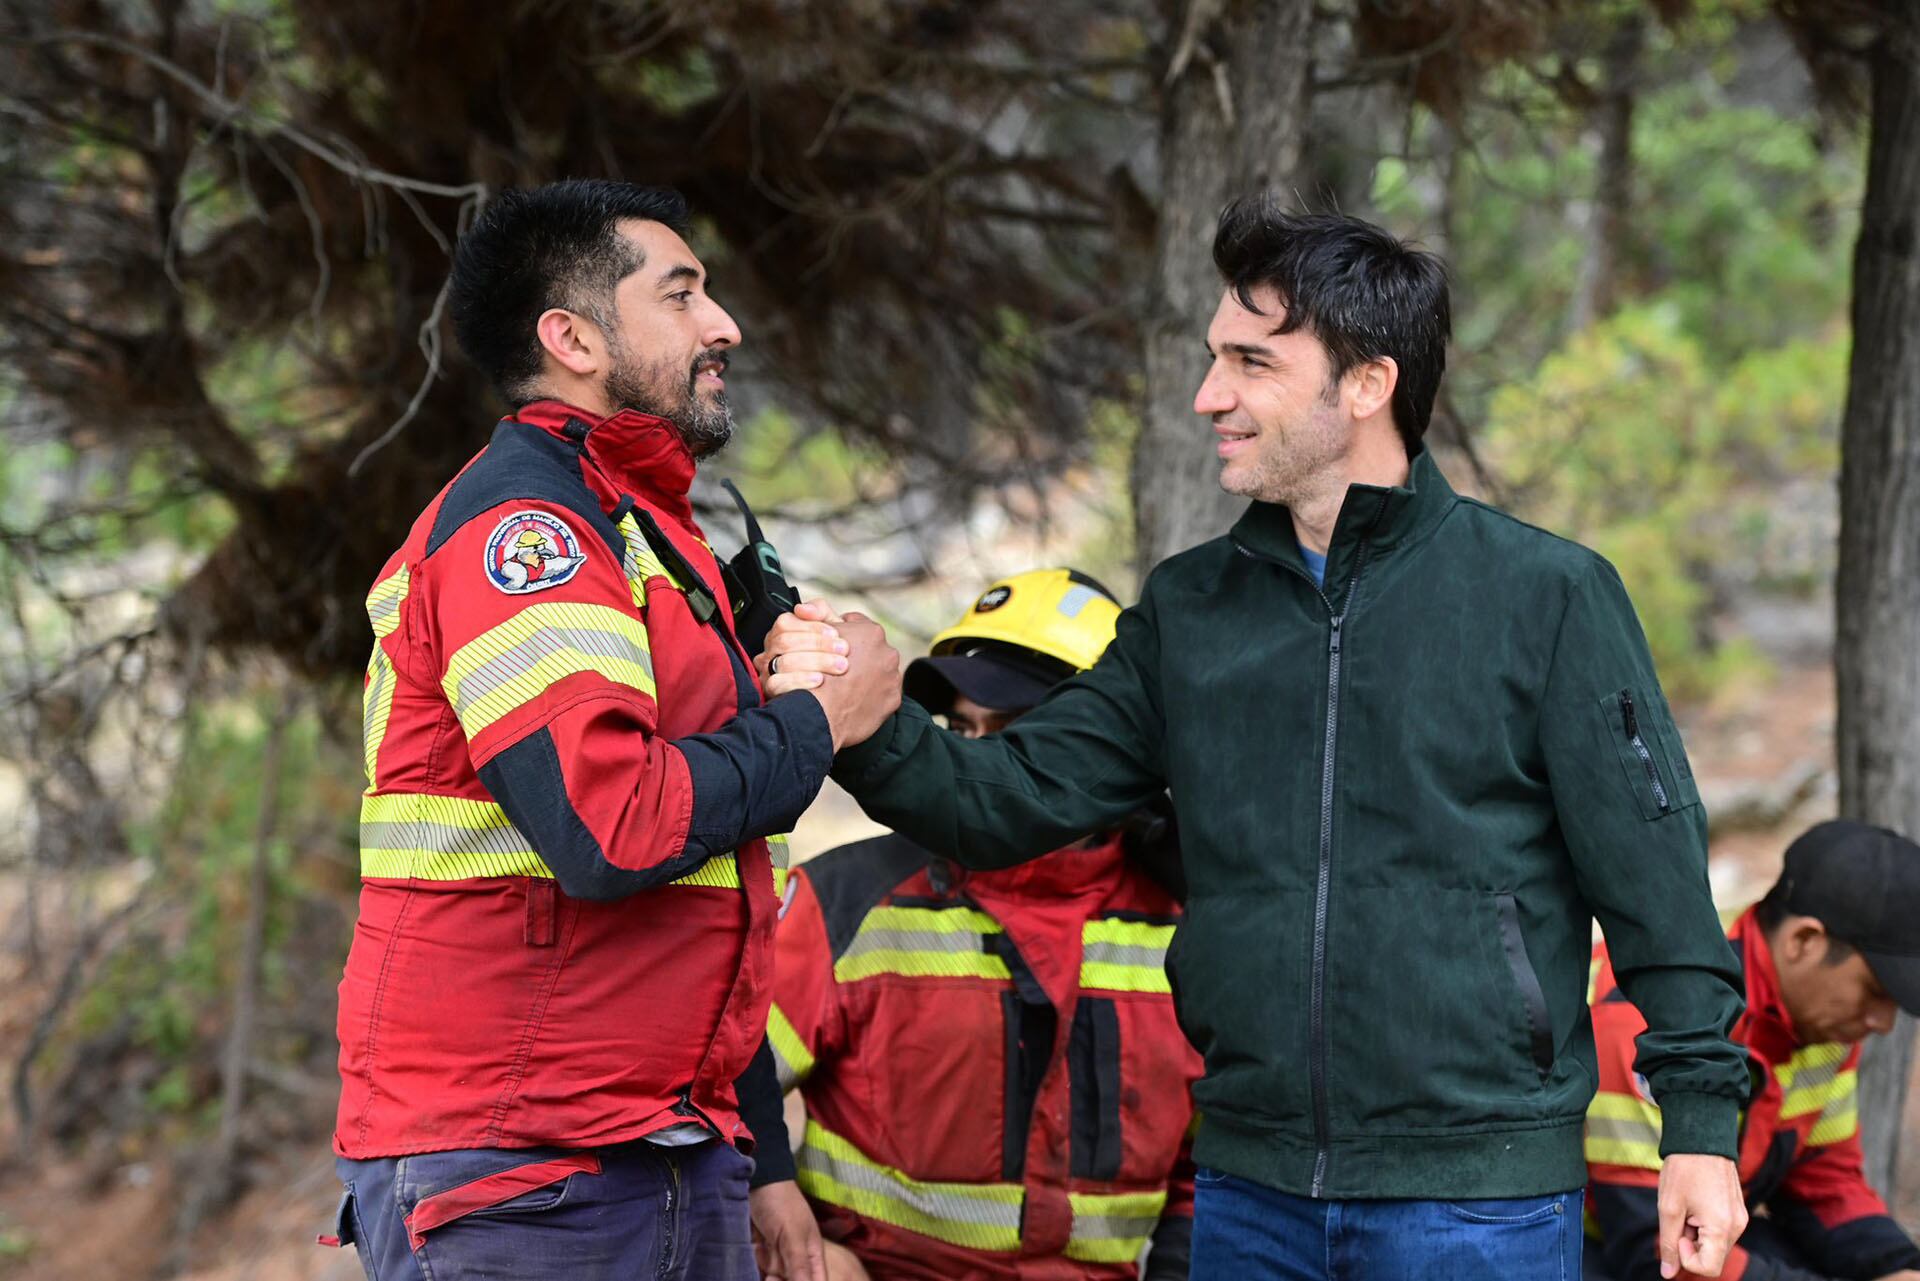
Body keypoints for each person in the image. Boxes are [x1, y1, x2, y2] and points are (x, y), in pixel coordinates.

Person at [761, 198, 1752, 1279]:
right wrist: (866, 729)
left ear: (1368, 383)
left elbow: (1655, 882)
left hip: (1475, 1202)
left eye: (1251, 363)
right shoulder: (1194, 610)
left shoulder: (1548, 597)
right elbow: (1008, 800)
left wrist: (1700, 1129)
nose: (1209, 396)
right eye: (1211, 359)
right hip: (1251, 1198)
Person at [325, 179, 899, 1281]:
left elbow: (706, 900)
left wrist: (761, 1158)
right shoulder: (528, 533)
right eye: (681, 294)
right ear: (573, 337)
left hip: (659, 1145)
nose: (722, 323)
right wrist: (818, 722)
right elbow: (613, 829)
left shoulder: (638, 527)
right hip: (525, 1168)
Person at [748, 570, 1202, 1281]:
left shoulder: (1186, 924)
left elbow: (1203, 1177)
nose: (971, 755)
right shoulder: (848, 897)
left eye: (1011, 729)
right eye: (960, 728)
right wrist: (771, 1197)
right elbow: (723, 1069)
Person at [1585, 820, 1920, 1281]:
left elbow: (1825, 1183)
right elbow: (1655, 1246)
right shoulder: (1643, 1008)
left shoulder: (1827, 1027)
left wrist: (1898, 1267)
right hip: (1572, 1237)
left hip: (1682, 1231)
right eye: (1874, 991)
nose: (1883, 1023)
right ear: (1804, 941)